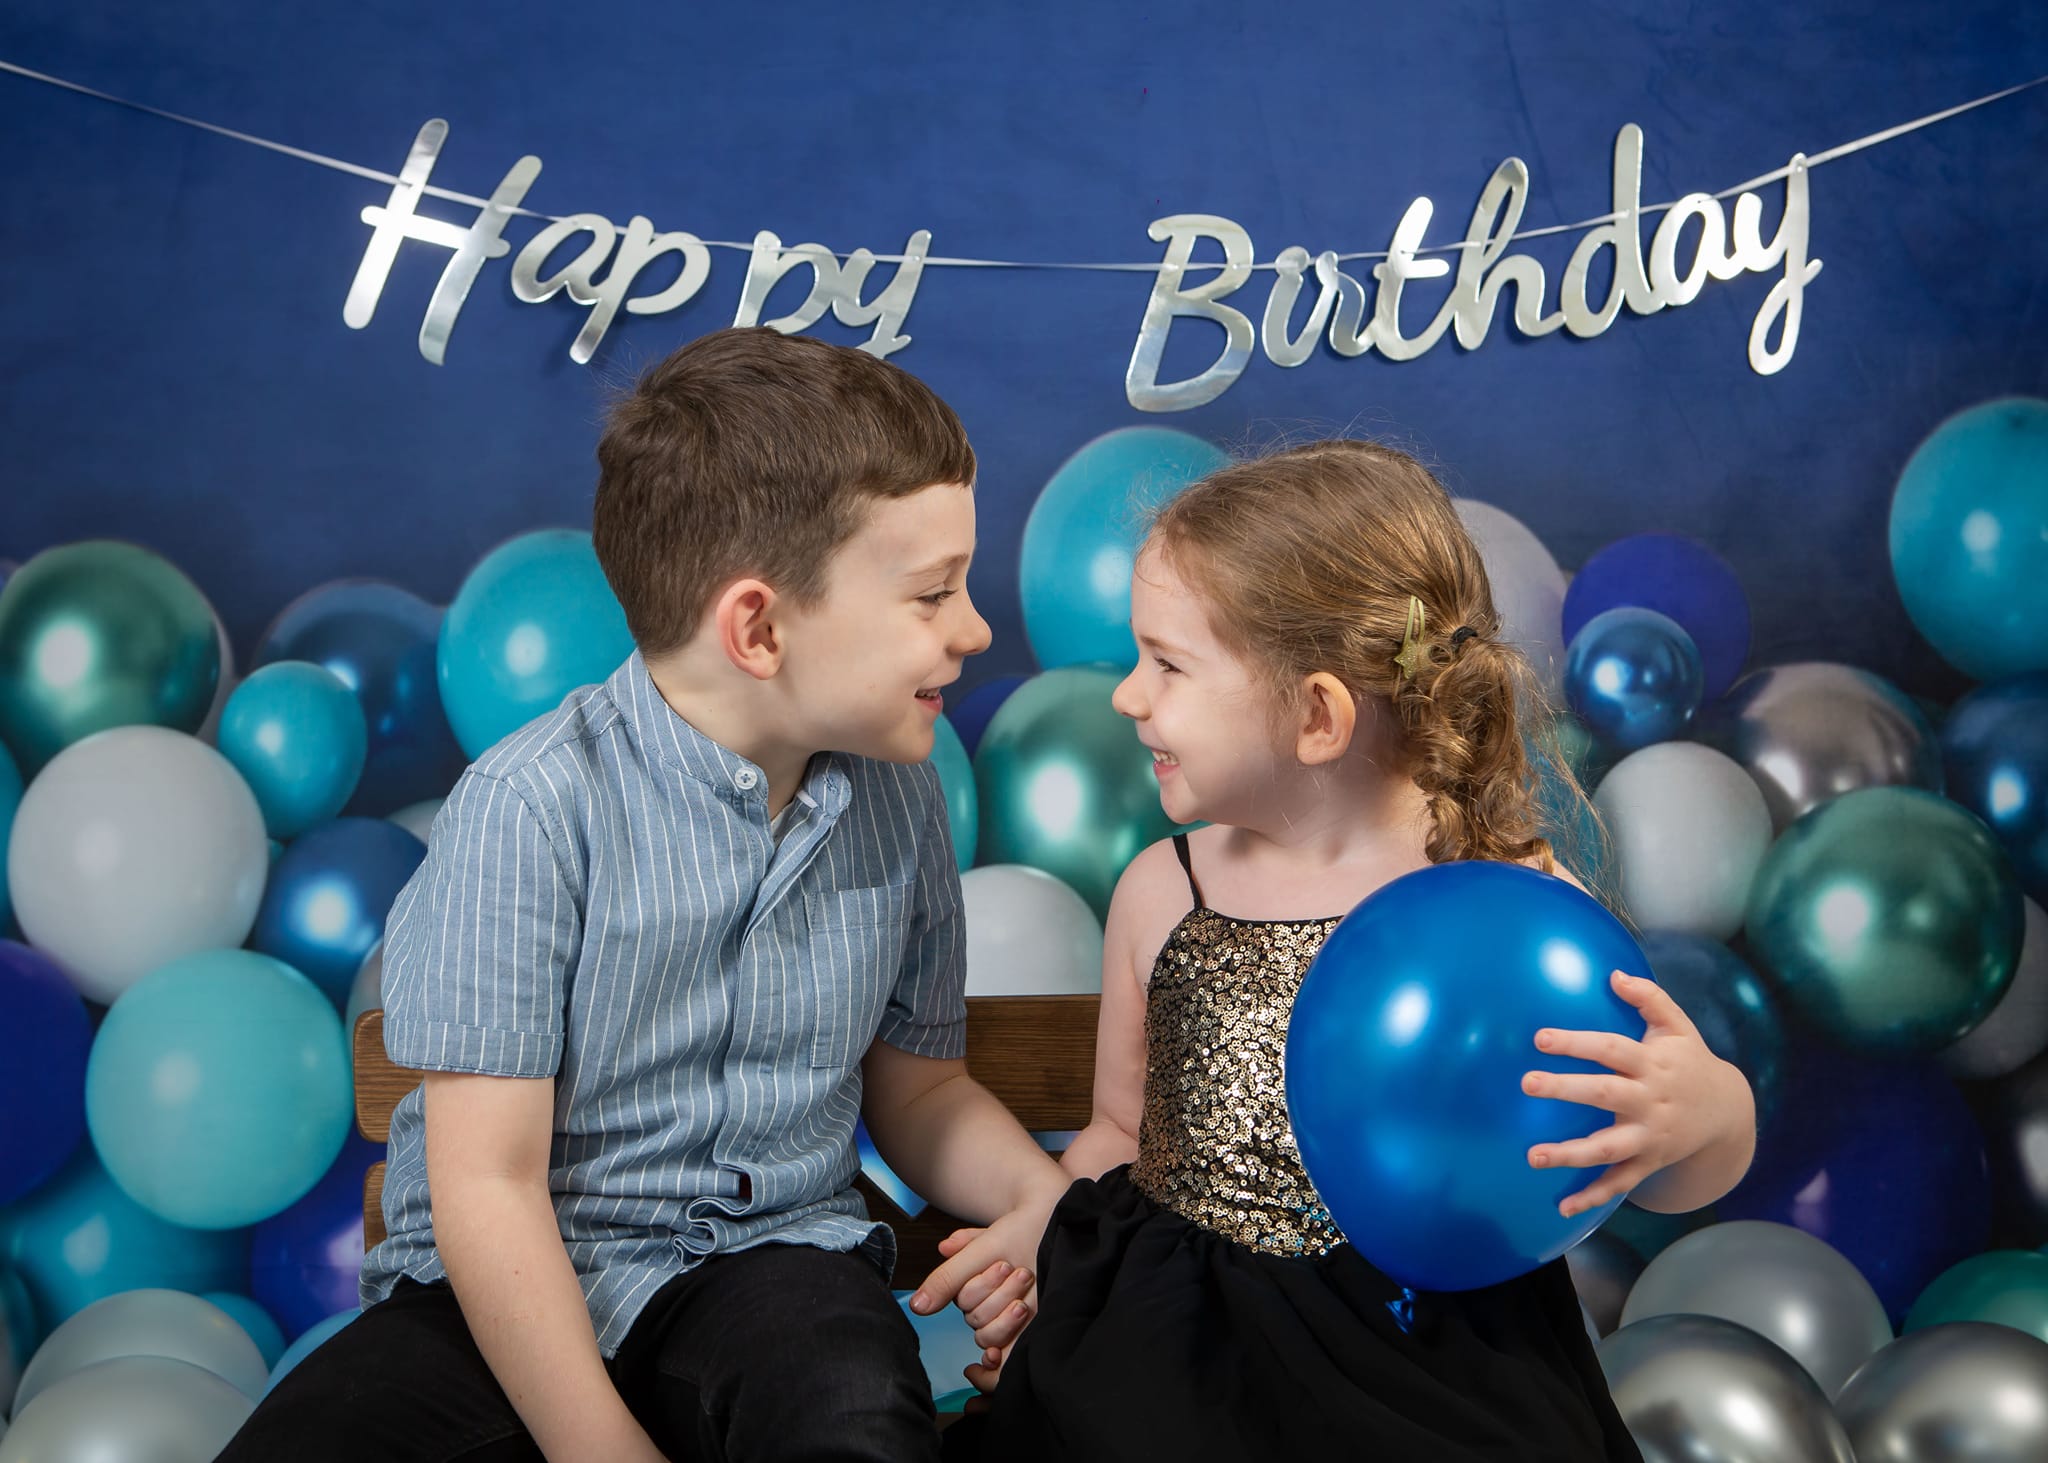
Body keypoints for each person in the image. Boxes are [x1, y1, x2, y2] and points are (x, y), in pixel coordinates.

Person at [219, 328, 1065, 1463]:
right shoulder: (529, 809)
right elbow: (491, 1183)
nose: (972, 628)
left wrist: (1038, 1195)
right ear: (758, 627)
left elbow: (919, 1088)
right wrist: (599, 1447)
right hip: (504, 1280)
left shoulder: (895, 796)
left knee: (852, 1411)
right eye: (932, 593)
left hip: (771, 1266)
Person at [937, 439, 1756, 1462]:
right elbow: (1118, 1129)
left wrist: (1702, 1113)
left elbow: (1663, 1169)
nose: (1126, 694)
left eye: (1167, 664)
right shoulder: (1166, 891)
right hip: (1179, 1350)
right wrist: (1044, 1234)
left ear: (1316, 714)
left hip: (1434, 1359)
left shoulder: (1507, 910)